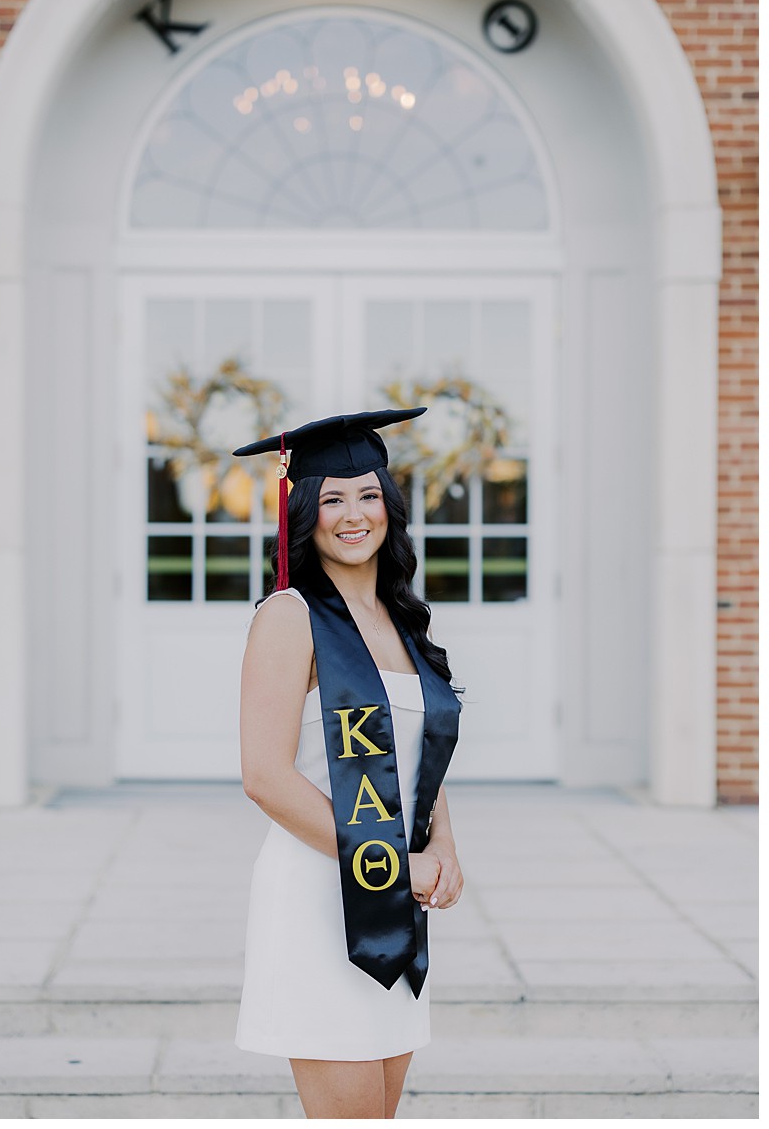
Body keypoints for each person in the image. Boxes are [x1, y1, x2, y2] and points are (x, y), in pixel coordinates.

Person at [233, 409, 467, 1119]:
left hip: (392, 908)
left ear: (389, 507)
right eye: (331, 499)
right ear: (304, 513)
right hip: (319, 898)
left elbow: (420, 752)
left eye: (367, 495)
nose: (352, 514)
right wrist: (399, 857)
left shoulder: (402, 621)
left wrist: (444, 847)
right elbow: (265, 776)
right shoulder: (290, 615)